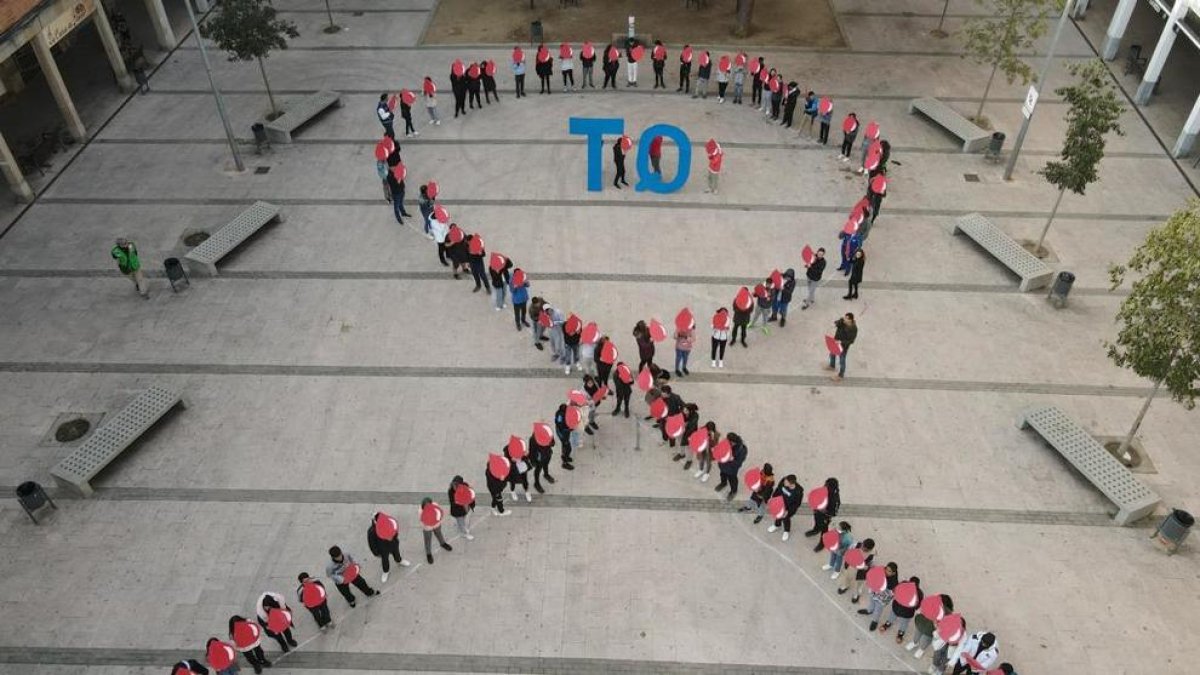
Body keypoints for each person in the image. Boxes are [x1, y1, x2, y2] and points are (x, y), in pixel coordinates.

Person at [366, 511, 410, 583]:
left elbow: (395, 530)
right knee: (385, 560)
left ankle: (399, 561)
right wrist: (376, 553)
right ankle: (386, 571)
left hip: (393, 544)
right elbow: (372, 544)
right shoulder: (371, 531)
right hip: (382, 549)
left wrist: (393, 537)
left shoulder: (388, 522)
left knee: (397, 554)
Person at [881, 576, 923, 643]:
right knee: (902, 622)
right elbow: (917, 606)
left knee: (895, 619)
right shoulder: (919, 593)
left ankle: (889, 625)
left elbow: (894, 592)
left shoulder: (905, 586)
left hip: (900, 610)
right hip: (904, 611)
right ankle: (899, 632)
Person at [860, 561, 898, 631]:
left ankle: (875, 621)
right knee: (871, 602)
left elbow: (889, 592)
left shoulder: (894, 582)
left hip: (882, 598)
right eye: (886, 569)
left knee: (878, 610)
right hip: (874, 592)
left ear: (893, 573)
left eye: (889, 571)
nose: (886, 571)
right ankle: (869, 610)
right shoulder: (881, 571)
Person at [806, 476, 842, 549]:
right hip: (818, 512)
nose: (825, 486)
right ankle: (816, 530)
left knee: (824, 529)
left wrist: (825, 512)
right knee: (816, 521)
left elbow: (834, 512)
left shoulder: (835, 499)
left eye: (827, 485)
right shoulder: (825, 489)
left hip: (825, 516)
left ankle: (822, 543)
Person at [836, 538, 875, 603]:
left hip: (860, 572)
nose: (862, 548)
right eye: (862, 546)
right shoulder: (856, 545)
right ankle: (845, 586)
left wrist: (866, 567)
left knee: (858, 584)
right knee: (847, 577)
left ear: (869, 549)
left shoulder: (871, 555)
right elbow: (848, 551)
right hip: (850, 566)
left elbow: (871, 565)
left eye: (865, 548)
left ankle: (856, 594)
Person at [767, 474, 803, 541]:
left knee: (786, 518)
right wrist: (773, 498)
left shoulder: (798, 491)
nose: (784, 482)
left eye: (786, 482)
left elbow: (797, 504)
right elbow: (778, 489)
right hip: (780, 503)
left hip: (789, 508)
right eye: (785, 481)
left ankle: (786, 531)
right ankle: (777, 525)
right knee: (778, 515)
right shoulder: (783, 481)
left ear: (791, 484)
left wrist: (788, 511)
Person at [419, 498, 454, 564]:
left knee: (439, 534)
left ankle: (443, 543)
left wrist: (438, 521)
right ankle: (428, 553)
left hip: (436, 524)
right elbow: (422, 520)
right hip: (427, 527)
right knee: (428, 540)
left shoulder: (435, 505)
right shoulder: (421, 511)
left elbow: (439, 513)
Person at [714, 431, 747, 500]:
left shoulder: (741, 450)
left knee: (732, 480)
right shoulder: (726, 442)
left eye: (729, 442)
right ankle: (723, 483)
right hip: (723, 465)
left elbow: (738, 463)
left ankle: (733, 491)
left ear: (733, 442)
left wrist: (731, 460)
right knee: (722, 475)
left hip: (732, 469)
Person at [827, 313, 857, 381]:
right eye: (844, 317)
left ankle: (841, 375)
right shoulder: (842, 321)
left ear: (850, 320)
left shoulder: (853, 329)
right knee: (832, 353)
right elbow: (836, 323)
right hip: (836, 341)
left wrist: (841, 342)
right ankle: (832, 366)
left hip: (843, 347)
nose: (844, 319)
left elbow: (851, 341)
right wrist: (838, 322)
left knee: (842, 360)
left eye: (846, 318)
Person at [528, 426, 555, 492]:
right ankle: (536, 483)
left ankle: (546, 474)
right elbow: (531, 451)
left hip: (547, 454)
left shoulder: (549, 434)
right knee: (538, 470)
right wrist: (532, 461)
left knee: (546, 464)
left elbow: (553, 443)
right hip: (539, 458)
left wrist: (550, 443)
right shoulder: (533, 439)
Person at [386, 161, 412, 225]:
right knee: (396, 207)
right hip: (396, 193)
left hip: (401, 190)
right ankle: (398, 218)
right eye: (393, 166)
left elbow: (402, 177)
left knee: (401, 203)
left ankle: (403, 213)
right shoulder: (389, 175)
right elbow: (393, 185)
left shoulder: (397, 171)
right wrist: (399, 179)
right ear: (390, 167)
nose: (395, 167)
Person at [554, 402, 576, 470]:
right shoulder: (561, 416)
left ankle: (565, 456)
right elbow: (561, 426)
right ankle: (565, 462)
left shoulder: (559, 413)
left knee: (565, 447)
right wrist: (569, 429)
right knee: (567, 448)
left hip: (564, 432)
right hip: (563, 434)